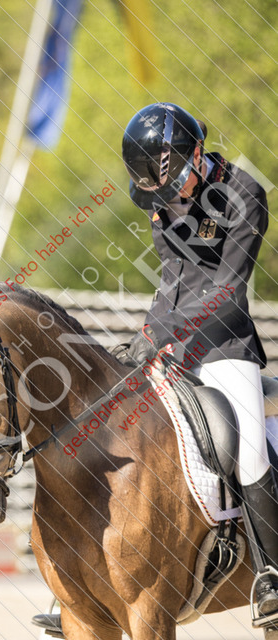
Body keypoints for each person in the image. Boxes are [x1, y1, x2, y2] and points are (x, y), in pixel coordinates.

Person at [121, 102, 278, 619]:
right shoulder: (158, 196)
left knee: (249, 450)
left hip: (225, 343)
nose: (170, 201)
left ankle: (272, 575)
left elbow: (228, 291)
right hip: (173, 342)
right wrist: (147, 334)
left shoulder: (244, 193)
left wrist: (163, 334)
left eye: (175, 186)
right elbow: (172, 277)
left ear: (197, 154)